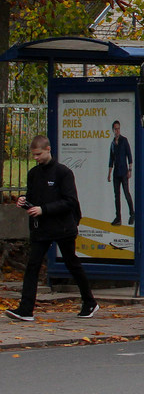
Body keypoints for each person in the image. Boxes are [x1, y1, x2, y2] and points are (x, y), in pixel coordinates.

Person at [4, 136, 99, 321]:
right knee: (33, 266)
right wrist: (24, 201)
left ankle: (89, 301)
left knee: (71, 263)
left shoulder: (63, 173)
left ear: (48, 149)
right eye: (33, 155)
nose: (36, 158)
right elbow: (33, 199)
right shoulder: (33, 174)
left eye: (38, 154)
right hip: (41, 228)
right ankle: (25, 309)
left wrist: (43, 209)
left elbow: (70, 202)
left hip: (62, 227)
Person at [107, 119, 134, 226]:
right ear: (113, 130)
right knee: (116, 195)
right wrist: (109, 173)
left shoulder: (124, 141)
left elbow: (129, 156)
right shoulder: (113, 143)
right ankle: (118, 217)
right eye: (115, 129)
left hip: (124, 172)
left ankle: (132, 213)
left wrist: (130, 170)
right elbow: (111, 160)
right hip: (116, 173)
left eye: (118, 129)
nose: (117, 131)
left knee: (126, 193)